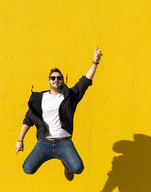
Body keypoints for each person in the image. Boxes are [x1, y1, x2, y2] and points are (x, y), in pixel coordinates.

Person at [15, 46, 103, 181]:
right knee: (27, 169)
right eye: (53, 78)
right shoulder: (39, 99)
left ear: (62, 80)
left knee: (77, 168)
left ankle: (66, 164)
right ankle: (60, 158)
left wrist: (95, 62)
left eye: (59, 78)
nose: (56, 80)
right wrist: (20, 140)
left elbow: (85, 81)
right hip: (44, 142)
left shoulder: (70, 96)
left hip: (64, 142)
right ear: (49, 81)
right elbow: (28, 119)